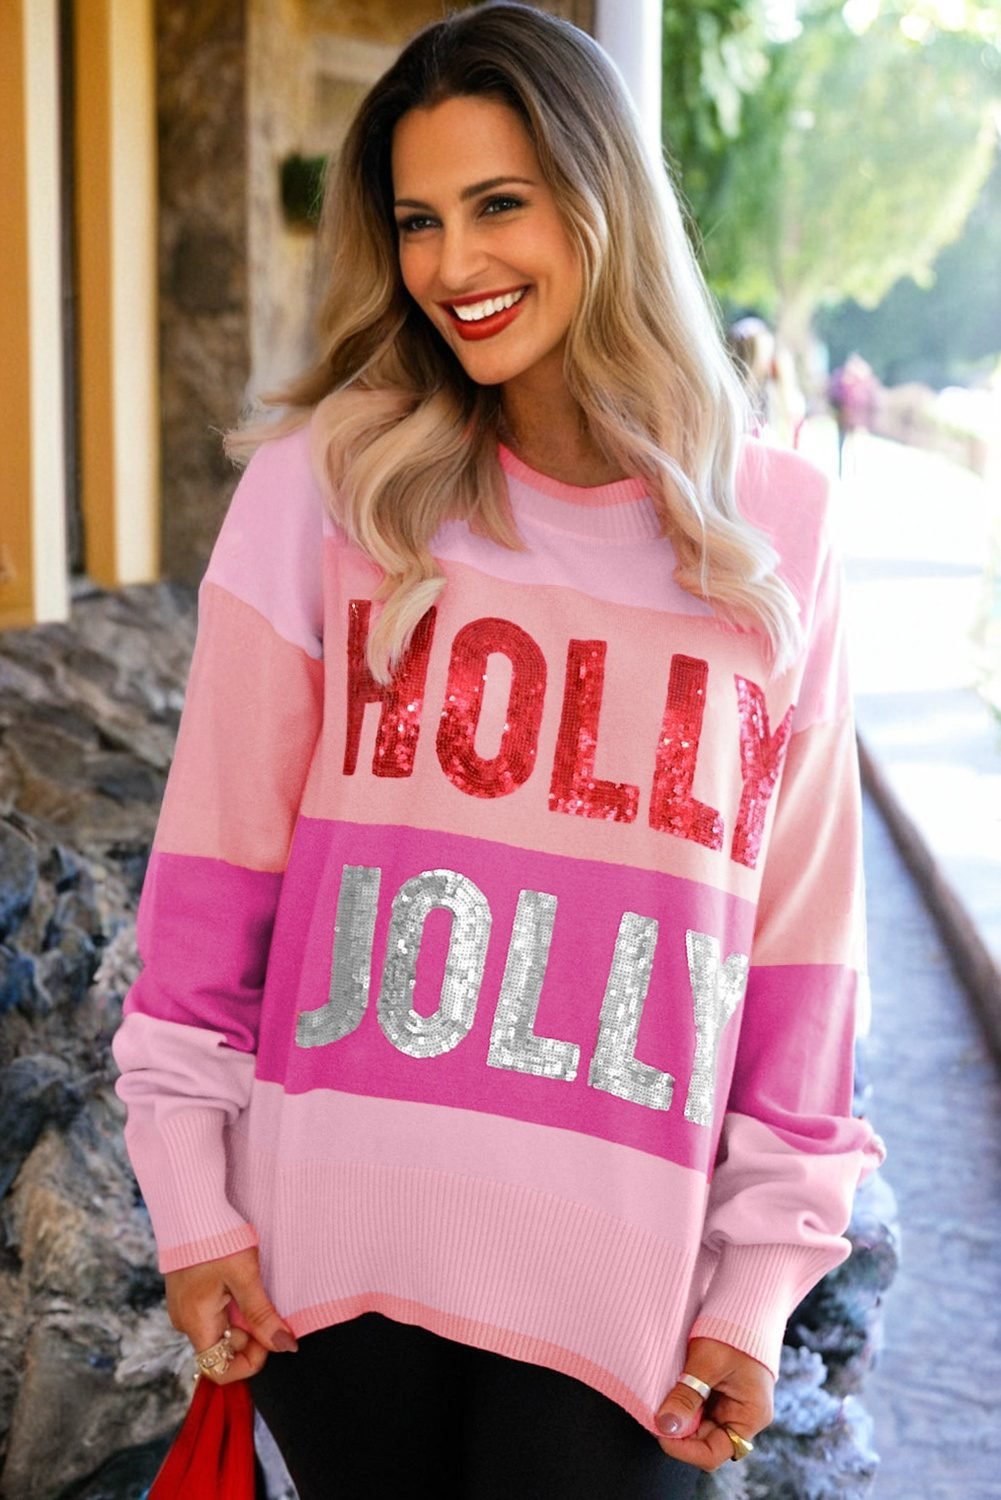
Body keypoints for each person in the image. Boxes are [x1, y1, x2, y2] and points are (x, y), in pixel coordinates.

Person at [111, 5, 885, 1497]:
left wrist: (757, 1281)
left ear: (602, 202)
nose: (452, 264)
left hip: (625, 1298)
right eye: (417, 220)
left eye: (498, 204)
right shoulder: (324, 490)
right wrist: (193, 1203)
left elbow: (803, 949)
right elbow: (213, 882)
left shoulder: (775, 530)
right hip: (336, 1267)